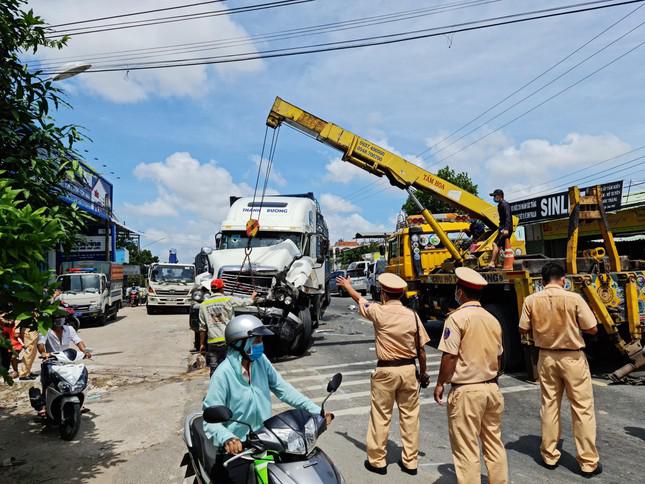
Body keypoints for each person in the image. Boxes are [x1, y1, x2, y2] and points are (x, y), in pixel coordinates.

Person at [203, 314, 332, 483]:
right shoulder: (223, 374)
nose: (260, 345)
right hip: (239, 449)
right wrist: (227, 438)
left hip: (267, 440)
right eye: (256, 341)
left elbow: (283, 389)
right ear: (240, 343)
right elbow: (210, 420)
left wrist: (316, 411)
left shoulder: (260, 362)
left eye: (260, 341)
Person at [337, 272, 430, 476]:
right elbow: (421, 350)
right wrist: (423, 374)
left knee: (381, 416)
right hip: (408, 370)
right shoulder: (413, 316)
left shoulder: (379, 311)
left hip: (386, 371)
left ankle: (378, 462)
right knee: (410, 418)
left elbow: (360, 300)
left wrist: (347, 286)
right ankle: (410, 462)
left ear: (384, 294)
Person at [519, 262, 601, 478]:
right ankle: (587, 462)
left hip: (546, 357)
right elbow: (592, 328)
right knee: (582, 409)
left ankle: (549, 455)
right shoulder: (573, 298)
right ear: (563, 279)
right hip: (572, 357)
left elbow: (522, 328)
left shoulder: (531, 300)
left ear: (542, 281)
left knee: (549, 405)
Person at [434, 267, 508, 484]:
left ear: (461, 292)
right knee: (494, 443)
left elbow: (449, 356)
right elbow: (500, 356)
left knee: (466, 448)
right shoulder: (492, 319)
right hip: (491, 389)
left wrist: (440, 383)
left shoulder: (457, 319)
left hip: (466, 391)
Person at [198, 279, 257, 376]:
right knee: (230, 366)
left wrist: (202, 344)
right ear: (222, 289)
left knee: (214, 368)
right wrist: (253, 297)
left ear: (212, 290)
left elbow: (202, 328)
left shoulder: (203, 305)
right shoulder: (227, 300)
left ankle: (215, 387)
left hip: (212, 342)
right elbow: (245, 302)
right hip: (227, 340)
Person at [36, 314, 92, 415]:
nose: (59, 319)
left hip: (68, 360)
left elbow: (78, 341)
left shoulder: (69, 329)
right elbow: (40, 344)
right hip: (51, 360)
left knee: (81, 373)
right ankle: (44, 404)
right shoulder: (45, 329)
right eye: (56, 317)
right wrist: (44, 353)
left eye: (60, 317)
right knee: (47, 381)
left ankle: (80, 399)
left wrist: (85, 351)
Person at [487, 189, 513, 269]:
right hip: (503, 228)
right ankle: (497, 263)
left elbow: (508, 216)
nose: (494, 198)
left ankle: (492, 263)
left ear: (500, 196)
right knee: (503, 247)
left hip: (505, 228)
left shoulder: (504, 204)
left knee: (495, 244)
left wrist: (506, 229)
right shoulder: (501, 204)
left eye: (495, 196)